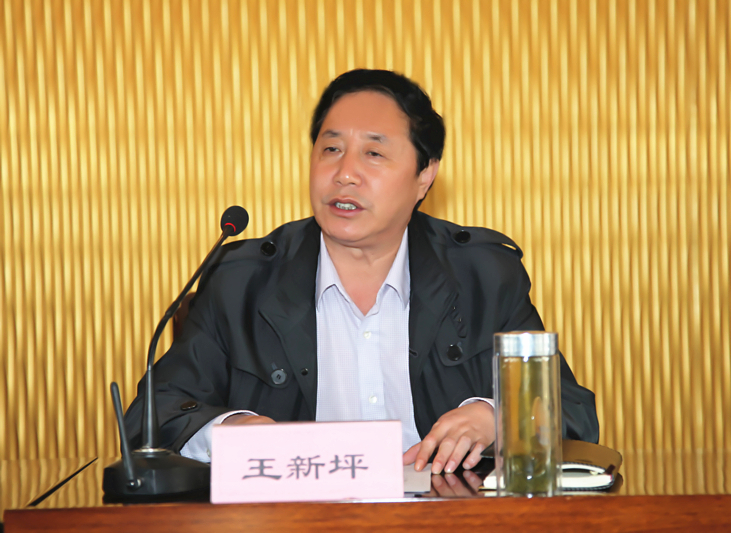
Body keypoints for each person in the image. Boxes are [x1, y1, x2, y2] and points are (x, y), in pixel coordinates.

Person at [124, 69, 598, 475]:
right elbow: (151, 414)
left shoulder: (483, 276)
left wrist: (496, 416)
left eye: (373, 153)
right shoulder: (241, 281)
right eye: (331, 149)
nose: (345, 173)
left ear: (425, 175)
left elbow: (571, 408)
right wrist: (230, 429)